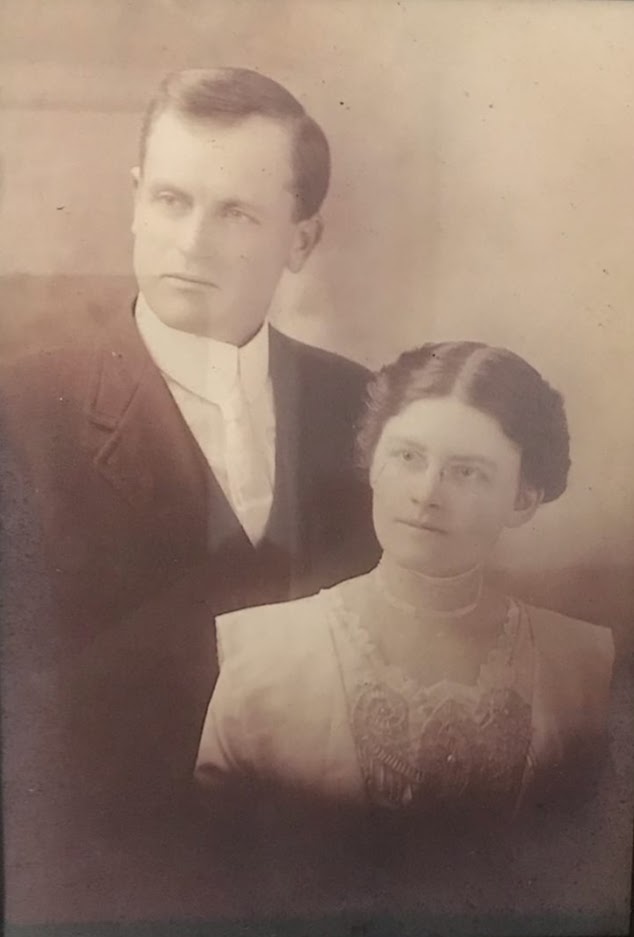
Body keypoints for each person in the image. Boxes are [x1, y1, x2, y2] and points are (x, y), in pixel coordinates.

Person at [0, 68, 379, 920]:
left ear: (302, 240)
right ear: (135, 200)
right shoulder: (18, 417)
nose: (193, 243)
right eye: (172, 201)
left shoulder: (363, 409)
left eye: (237, 213)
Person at [196, 340, 615, 823]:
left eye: (467, 472)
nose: (426, 494)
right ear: (373, 464)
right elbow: (216, 864)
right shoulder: (264, 652)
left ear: (522, 500)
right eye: (408, 457)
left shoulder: (581, 665)